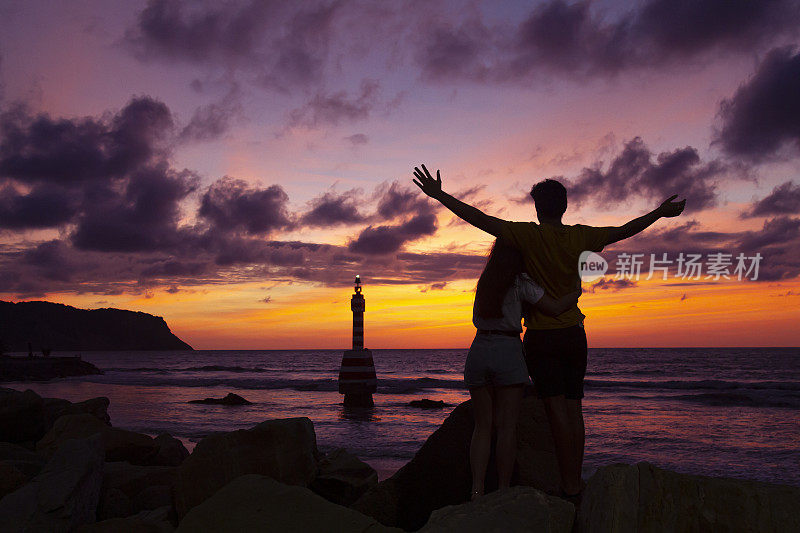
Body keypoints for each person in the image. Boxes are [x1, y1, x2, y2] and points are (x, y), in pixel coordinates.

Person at [413, 164, 685, 500]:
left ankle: (559, 484)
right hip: (573, 333)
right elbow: (624, 229)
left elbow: (479, 218)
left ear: (538, 208)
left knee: (556, 409)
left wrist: (439, 195)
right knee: (574, 408)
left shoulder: (526, 235)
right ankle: (574, 481)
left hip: (541, 337)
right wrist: (658, 212)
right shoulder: (581, 235)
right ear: (565, 206)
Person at [466, 239, 580, 500]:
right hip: (507, 348)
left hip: (479, 347)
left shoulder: (484, 283)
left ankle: (476, 490)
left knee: (482, 426)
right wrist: (575, 292)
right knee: (507, 427)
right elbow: (553, 307)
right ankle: (503, 491)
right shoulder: (520, 282)